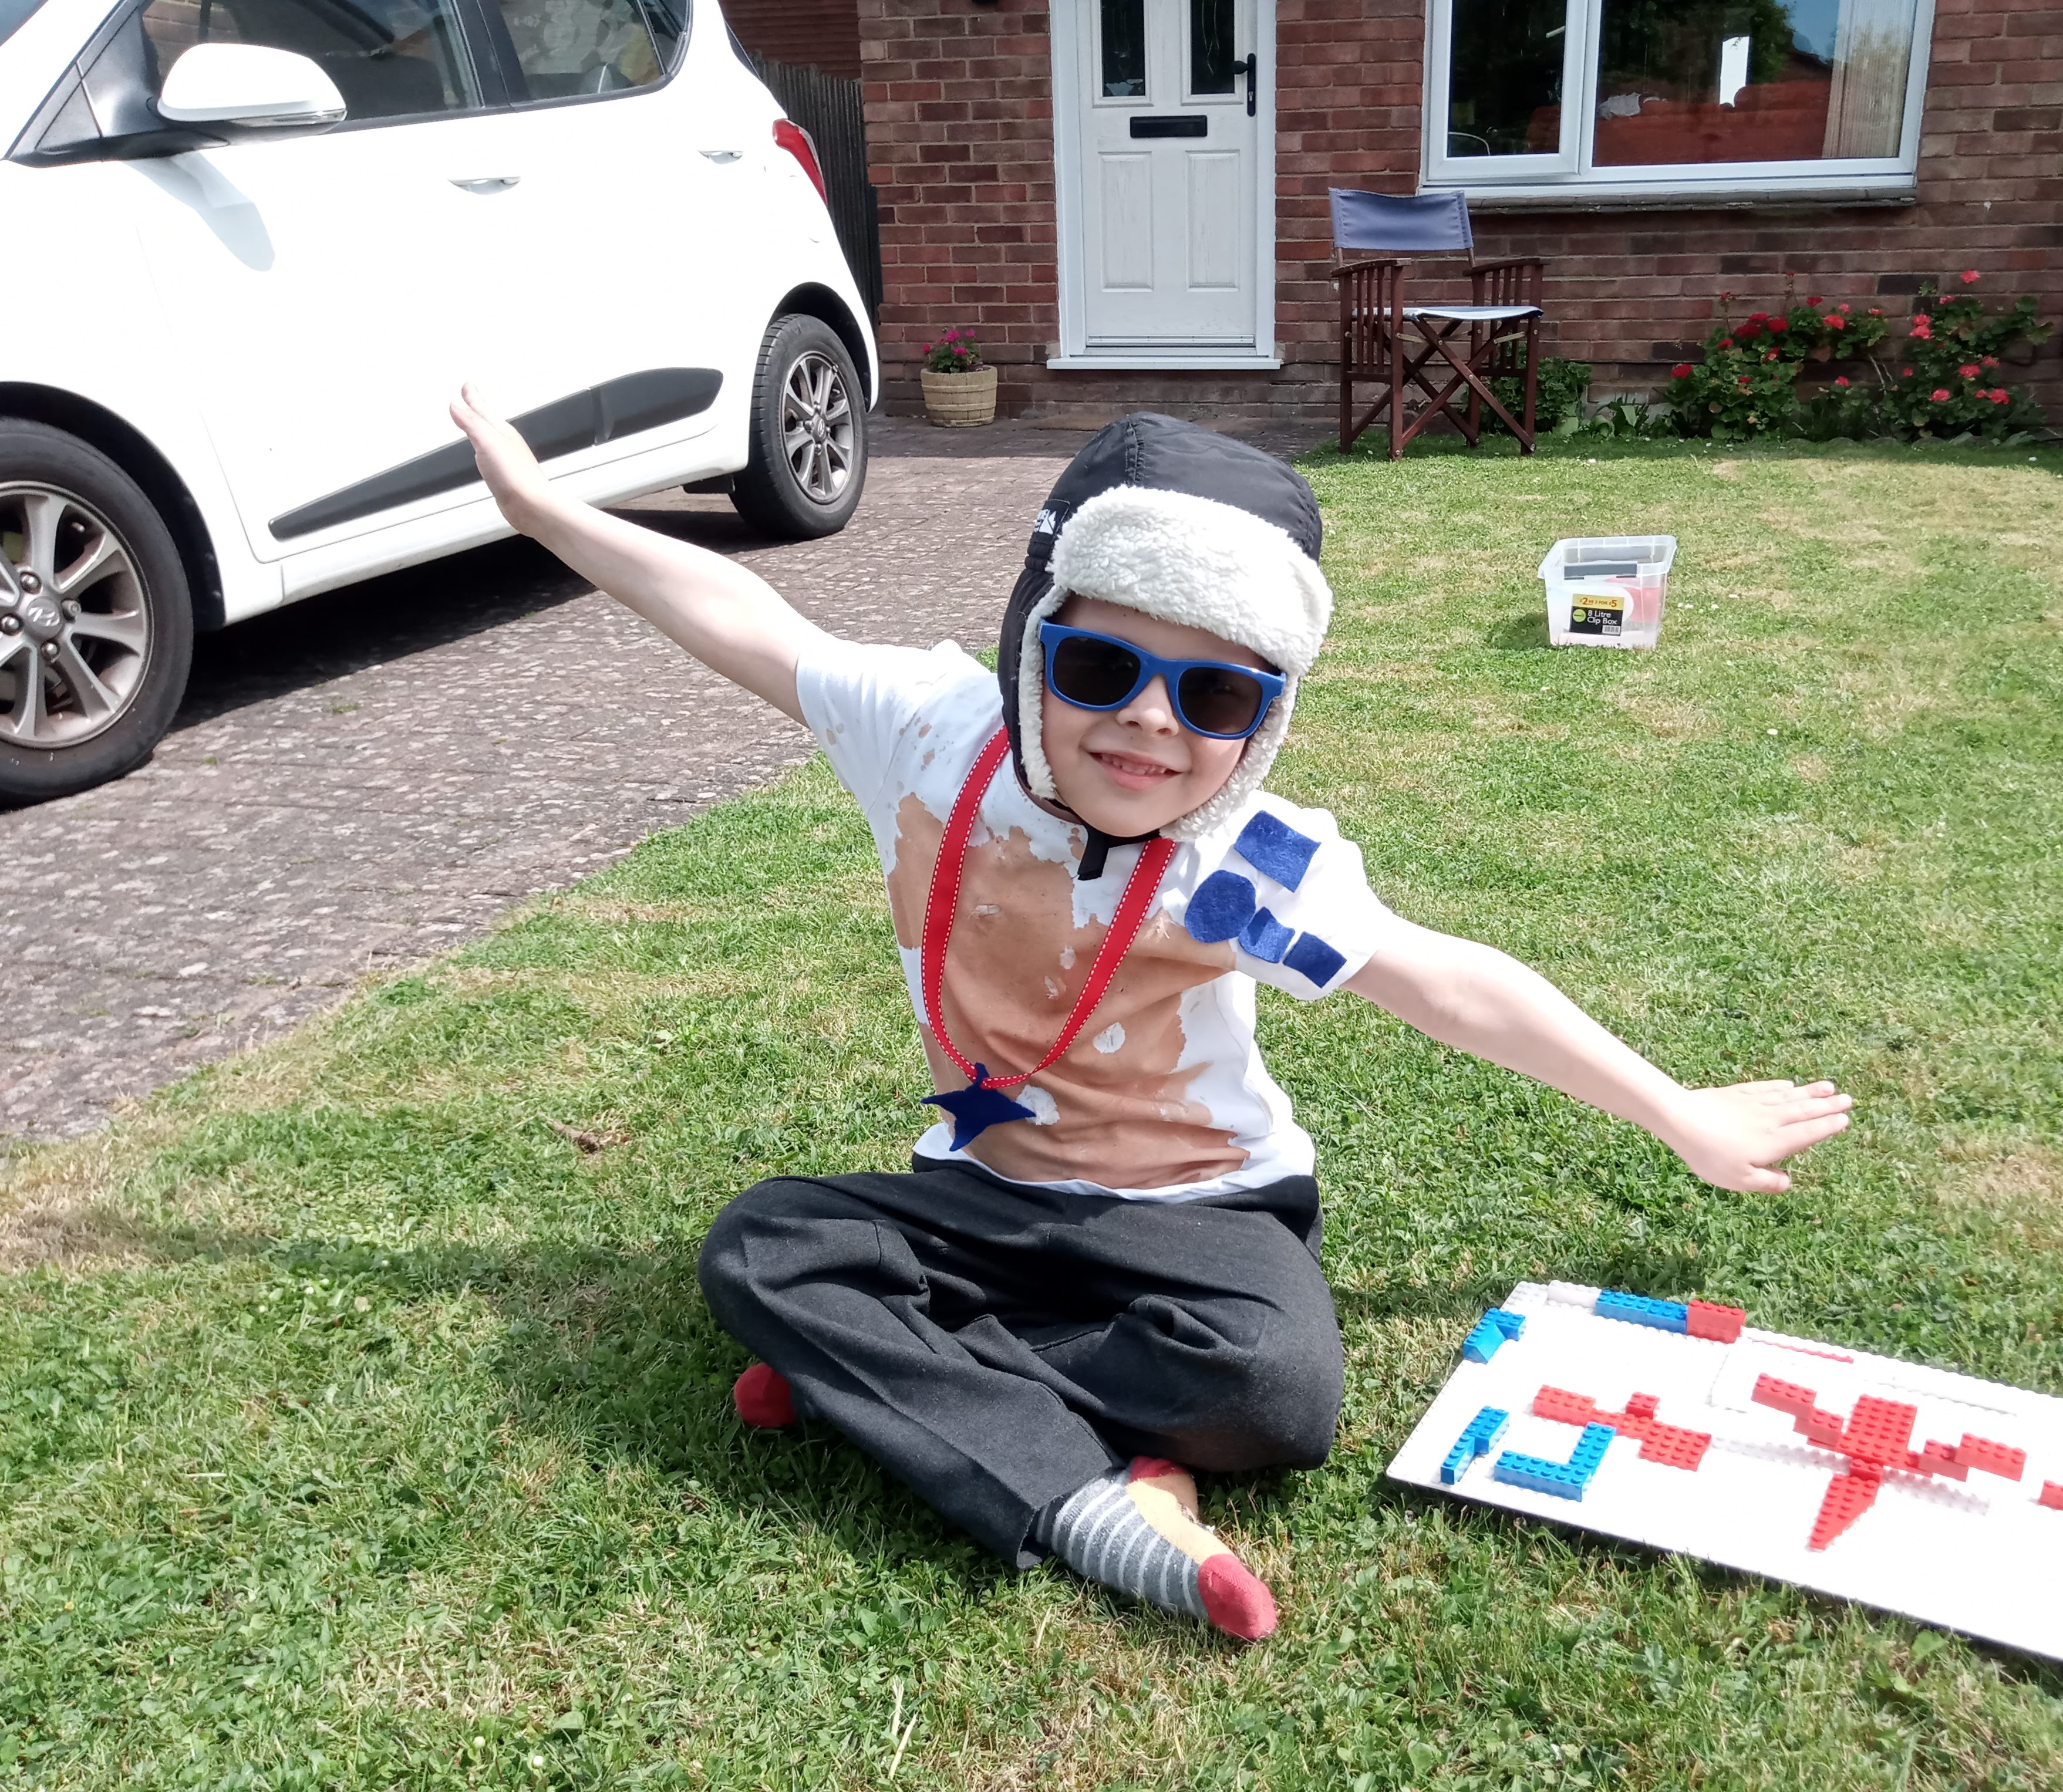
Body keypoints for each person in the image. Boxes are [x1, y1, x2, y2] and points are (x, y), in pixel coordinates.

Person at [449, 394, 1852, 1641]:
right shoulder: (929, 734)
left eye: (1216, 692)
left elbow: (1444, 981)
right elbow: (744, 617)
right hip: (982, 1199)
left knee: (1274, 1392)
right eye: (1101, 670)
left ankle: (880, 1379)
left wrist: (1675, 1111)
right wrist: (542, 509)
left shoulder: (1243, 859)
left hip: (1201, 1217)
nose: (1150, 726)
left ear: (1265, 719)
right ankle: (1089, 1496)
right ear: (1032, 646)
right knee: (762, 1242)